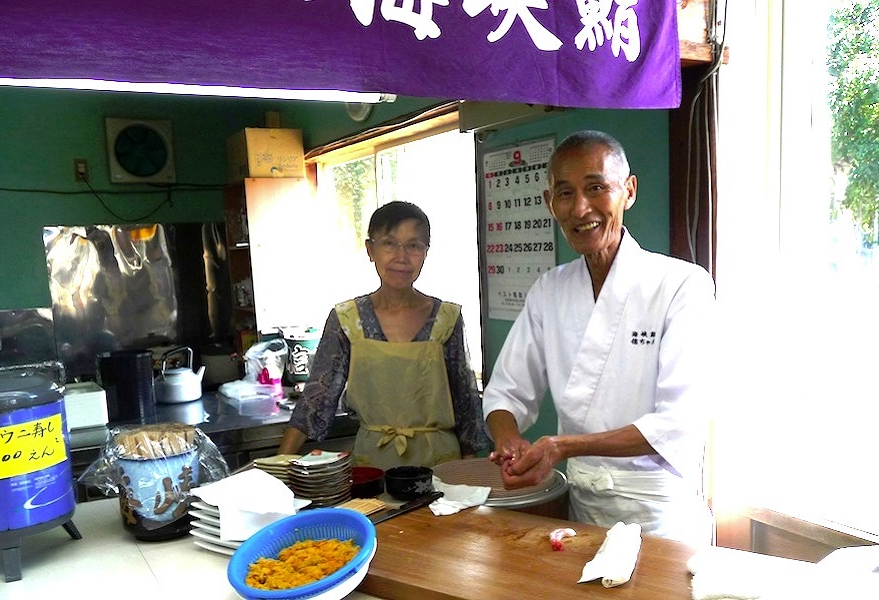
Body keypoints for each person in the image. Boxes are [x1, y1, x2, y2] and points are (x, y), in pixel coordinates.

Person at [482, 130, 715, 548]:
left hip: (659, 517)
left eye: (596, 188)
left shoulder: (682, 285)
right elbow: (506, 392)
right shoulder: (549, 291)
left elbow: (679, 421)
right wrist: (509, 441)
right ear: (550, 203)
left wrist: (561, 447)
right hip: (581, 512)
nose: (580, 208)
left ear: (629, 191)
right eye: (565, 193)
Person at [278, 201, 488, 470]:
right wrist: (279, 465)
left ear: (426, 252)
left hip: (441, 465)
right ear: (370, 249)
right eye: (389, 243)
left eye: (414, 246)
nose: (401, 257)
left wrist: (470, 477)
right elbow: (316, 399)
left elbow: (466, 405)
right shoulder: (347, 319)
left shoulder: (447, 318)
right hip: (372, 466)